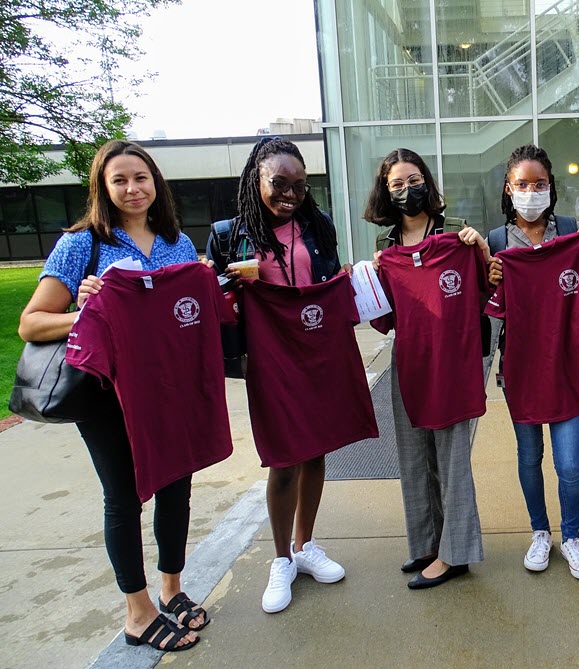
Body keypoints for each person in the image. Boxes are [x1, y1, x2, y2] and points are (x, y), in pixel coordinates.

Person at [18, 140, 205, 652]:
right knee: (122, 498)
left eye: (140, 178)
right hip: (105, 395)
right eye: (119, 179)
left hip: (166, 390)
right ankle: (138, 611)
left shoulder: (177, 244)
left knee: (175, 486)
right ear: (103, 187)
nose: (132, 188)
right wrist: (87, 311)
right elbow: (30, 323)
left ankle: (172, 589)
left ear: (156, 182)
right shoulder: (82, 244)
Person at [206, 137, 354, 613]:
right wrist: (228, 280)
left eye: (300, 185)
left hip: (314, 351)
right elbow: (217, 300)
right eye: (280, 183)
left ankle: (305, 544)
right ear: (256, 180)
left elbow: (329, 282)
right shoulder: (230, 233)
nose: (291, 194)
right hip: (270, 360)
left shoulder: (317, 224)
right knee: (284, 458)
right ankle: (280, 558)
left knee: (315, 451)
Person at [365, 148, 489, 589]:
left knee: (453, 456)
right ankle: (427, 543)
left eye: (413, 179)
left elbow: (487, 290)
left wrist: (482, 251)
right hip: (410, 358)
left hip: (453, 358)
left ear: (427, 182)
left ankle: (456, 554)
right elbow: (385, 315)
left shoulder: (456, 234)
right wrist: (371, 279)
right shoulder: (385, 246)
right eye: (396, 184)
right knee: (413, 454)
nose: (406, 189)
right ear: (385, 191)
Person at [485, 144, 579, 579]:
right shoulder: (496, 242)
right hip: (521, 369)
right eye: (522, 185)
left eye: (539, 185)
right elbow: (483, 304)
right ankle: (540, 532)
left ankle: (571, 537)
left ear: (551, 188)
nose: (530, 192)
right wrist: (489, 277)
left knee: (568, 462)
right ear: (508, 189)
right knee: (529, 455)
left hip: (568, 366)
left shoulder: (572, 233)